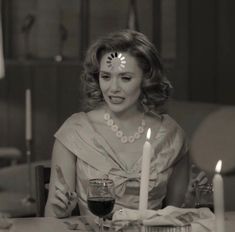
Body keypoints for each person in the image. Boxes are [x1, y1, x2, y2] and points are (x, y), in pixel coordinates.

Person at [45, 29, 207, 218]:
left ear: (146, 79)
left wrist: (191, 202)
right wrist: (58, 211)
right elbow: (50, 217)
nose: (113, 88)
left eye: (125, 78)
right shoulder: (75, 131)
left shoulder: (171, 136)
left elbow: (175, 215)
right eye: (106, 76)